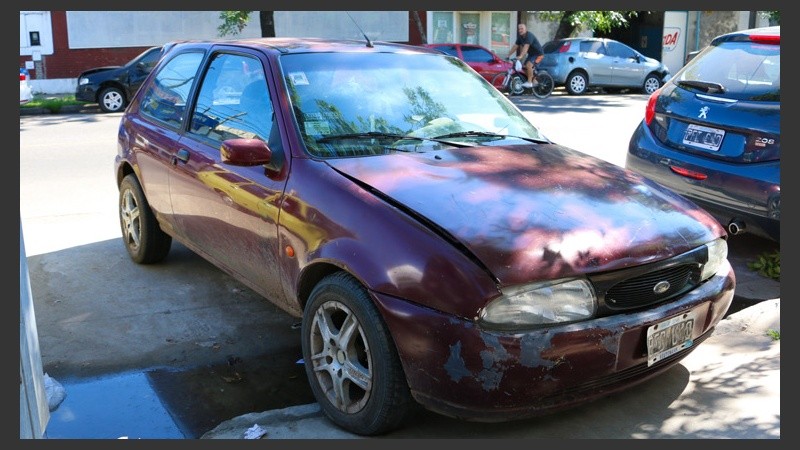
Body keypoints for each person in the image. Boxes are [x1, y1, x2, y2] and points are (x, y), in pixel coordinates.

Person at [507, 23, 543, 89]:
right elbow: (515, 46)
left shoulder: (529, 36)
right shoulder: (520, 37)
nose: (520, 30)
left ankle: (529, 82)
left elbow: (526, 47)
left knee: (529, 65)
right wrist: (508, 55)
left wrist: (520, 56)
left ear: (526, 29)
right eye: (519, 29)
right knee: (524, 67)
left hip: (538, 54)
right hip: (531, 55)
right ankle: (534, 81)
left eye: (522, 29)